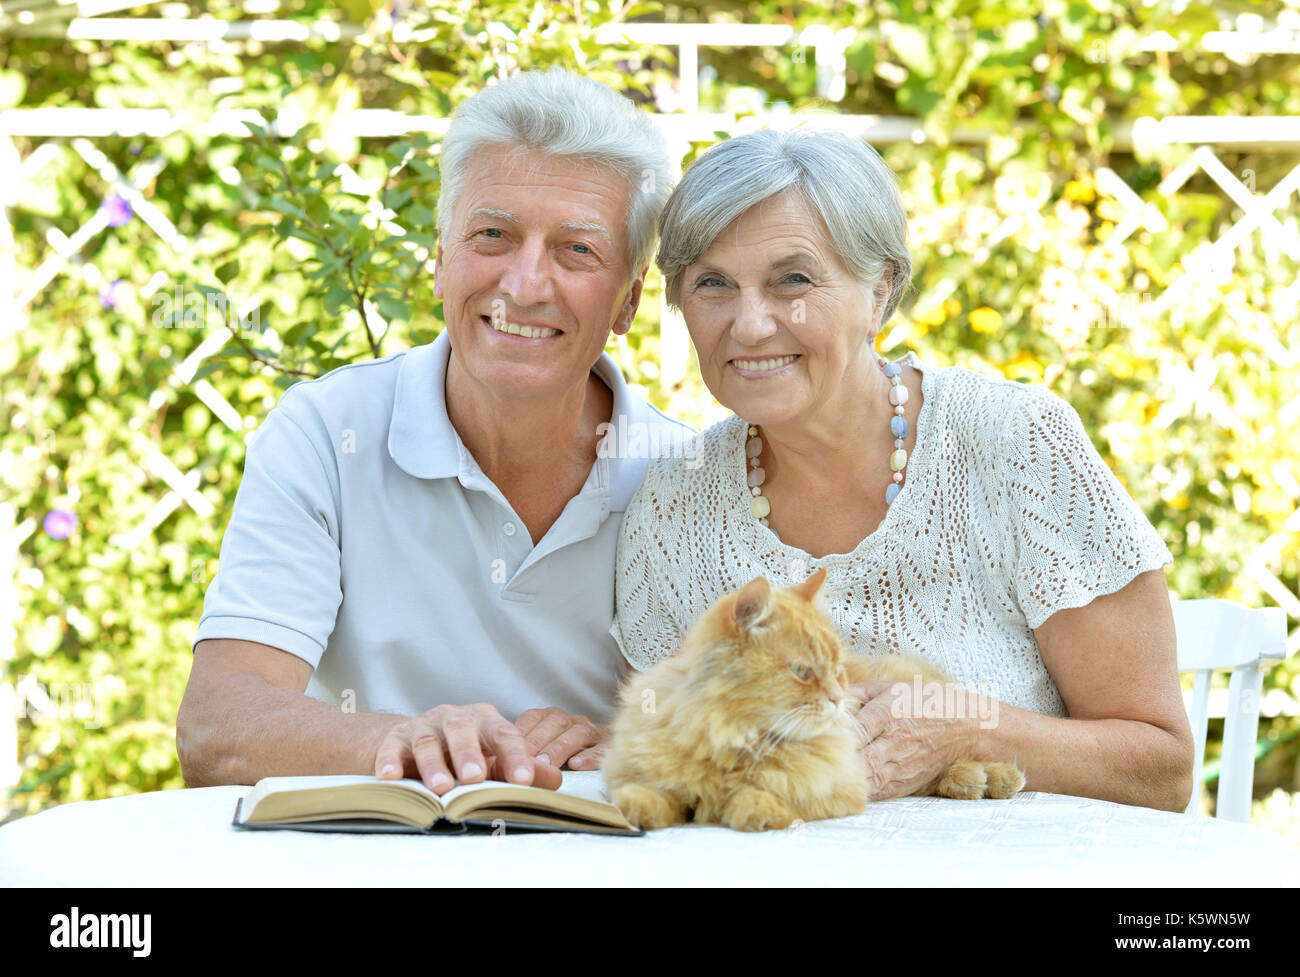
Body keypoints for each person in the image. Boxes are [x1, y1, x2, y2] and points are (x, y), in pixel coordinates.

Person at [612, 127, 1196, 811]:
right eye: (713, 283)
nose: (748, 324)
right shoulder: (675, 502)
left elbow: (1163, 767)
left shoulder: (1013, 443)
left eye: (792, 280)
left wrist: (968, 730)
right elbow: (660, 758)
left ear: (880, 290)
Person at [177, 68, 691, 795]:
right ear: (441, 260)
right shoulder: (325, 433)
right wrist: (408, 740)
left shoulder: (684, 475)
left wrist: (629, 747)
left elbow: (734, 734)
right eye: (493, 235)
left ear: (628, 300)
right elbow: (217, 725)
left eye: (577, 249)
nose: (524, 284)